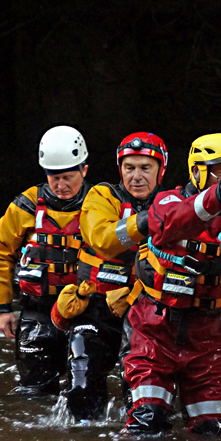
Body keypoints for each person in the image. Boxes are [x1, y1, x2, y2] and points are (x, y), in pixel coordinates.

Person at [123, 133, 221, 435]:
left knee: (215, 430)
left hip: (210, 334)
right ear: (197, 171)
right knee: (148, 421)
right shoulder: (168, 201)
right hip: (156, 329)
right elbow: (172, 221)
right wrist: (218, 194)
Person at [54, 132, 168, 420]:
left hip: (145, 315)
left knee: (142, 401)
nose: (136, 176)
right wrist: (150, 220)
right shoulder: (102, 196)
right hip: (95, 309)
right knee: (80, 387)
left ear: (161, 170)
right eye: (129, 168)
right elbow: (103, 239)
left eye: (145, 168)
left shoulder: (172, 203)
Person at [0, 125, 90, 397]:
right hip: (37, 307)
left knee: (84, 386)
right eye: (54, 178)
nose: (61, 186)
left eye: (68, 177)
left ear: (84, 170)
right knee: (34, 390)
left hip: (85, 308)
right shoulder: (24, 206)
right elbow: (2, 253)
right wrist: (3, 309)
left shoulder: (101, 204)